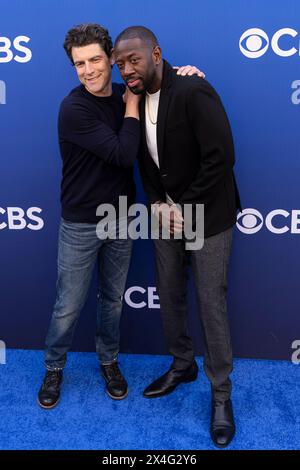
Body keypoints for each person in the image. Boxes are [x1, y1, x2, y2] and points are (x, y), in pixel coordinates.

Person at [37, 23, 203, 409]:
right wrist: (130, 107)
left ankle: (109, 361)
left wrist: (188, 74)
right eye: (80, 63)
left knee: (112, 300)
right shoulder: (74, 108)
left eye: (95, 59)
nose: (89, 69)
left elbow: (166, 84)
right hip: (81, 221)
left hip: (122, 217)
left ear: (110, 60)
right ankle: (54, 367)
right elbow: (121, 154)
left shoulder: (129, 91)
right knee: (68, 304)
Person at [114, 26, 241, 448]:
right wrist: (158, 204)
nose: (127, 69)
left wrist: (182, 208)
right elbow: (147, 165)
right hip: (165, 214)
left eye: (134, 60)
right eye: (120, 64)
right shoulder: (129, 99)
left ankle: (221, 394)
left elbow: (221, 156)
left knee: (209, 301)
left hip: (206, 214)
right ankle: (182, 364)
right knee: (169, 292)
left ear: (156, 54)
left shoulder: (192, 89)